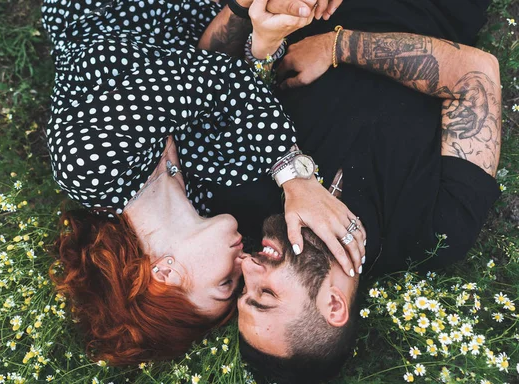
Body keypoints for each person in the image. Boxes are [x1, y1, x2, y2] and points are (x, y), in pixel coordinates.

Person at [40, 0, 356, 366]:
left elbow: (218, 82)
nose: (244, 264)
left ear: (167, 273)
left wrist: (295, 179)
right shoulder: (201, 195)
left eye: (225, 284)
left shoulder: (90, 168)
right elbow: (248, 83)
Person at [204, 0, 501, 382]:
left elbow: (207, 72)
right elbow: (476, 75)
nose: (245, 265)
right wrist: (336, 48)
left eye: (243, 288)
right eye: (265, 294)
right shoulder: (437, 231)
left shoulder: (248, 205)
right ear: (333, 305)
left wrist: (243, 6)